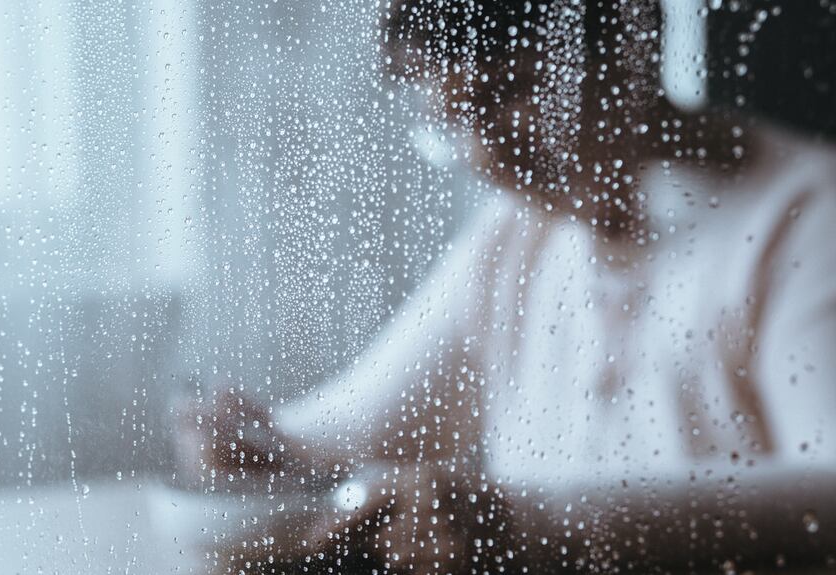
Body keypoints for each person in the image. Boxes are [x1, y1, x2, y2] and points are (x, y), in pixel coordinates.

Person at [181, 1, 836, 572]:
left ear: (631, 44)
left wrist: (525, 523)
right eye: (453, 119)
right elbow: (352, 428)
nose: (486, 154)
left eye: (512, 93)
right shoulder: (524, 234)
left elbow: (827, 490)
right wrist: (257, 443)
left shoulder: (807, 214)